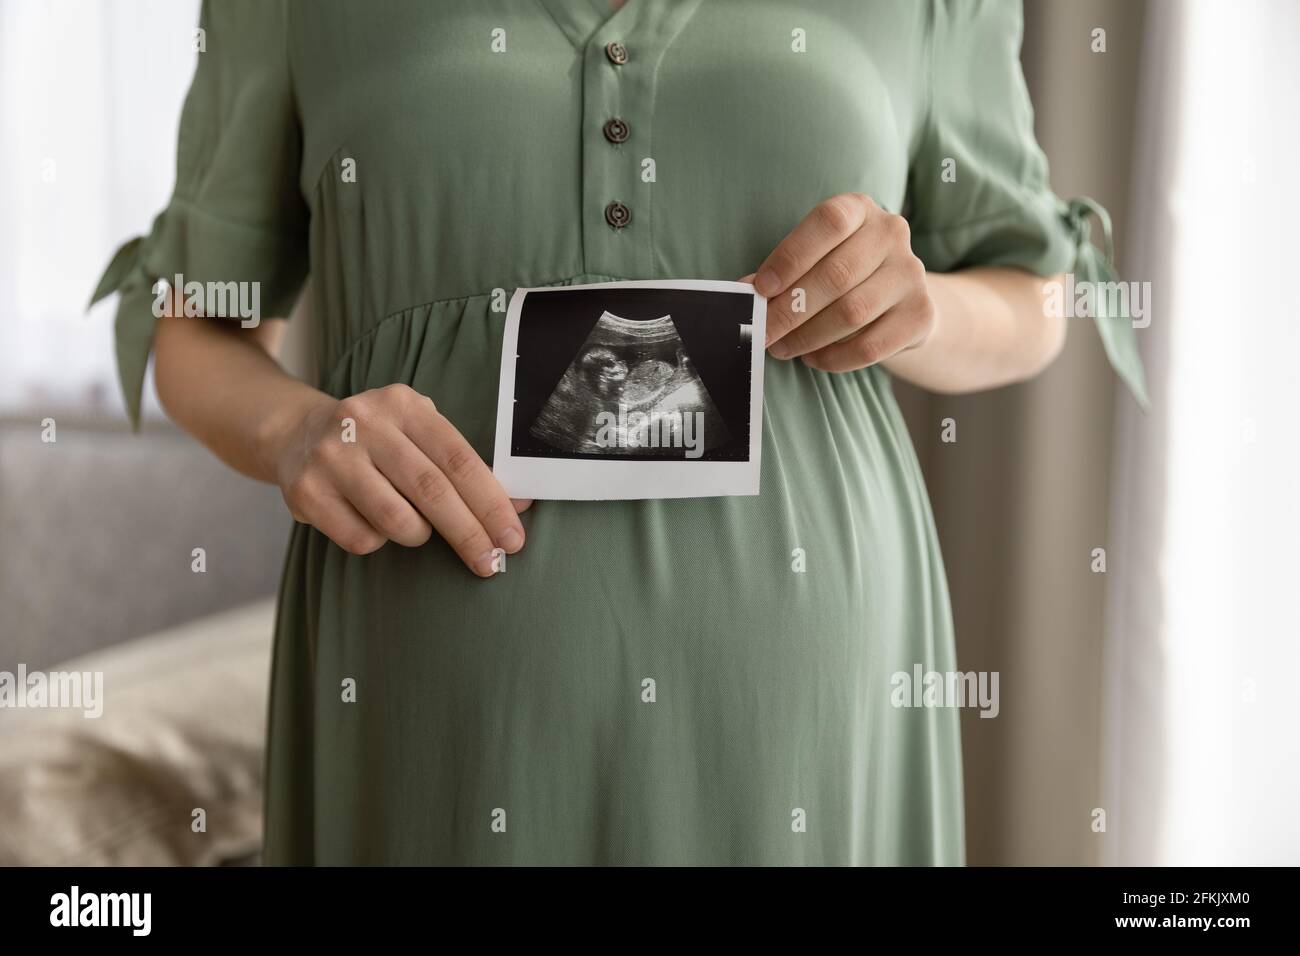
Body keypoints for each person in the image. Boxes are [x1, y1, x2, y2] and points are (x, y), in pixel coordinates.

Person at [91, 0, 1144, 864]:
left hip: (808, 688)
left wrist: (919, 307)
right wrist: (295, 430)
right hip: (429, 692)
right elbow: (198, 320)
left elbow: (1034, 294)